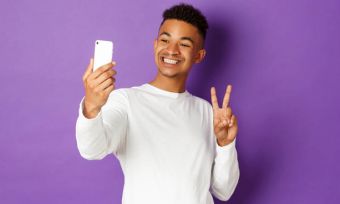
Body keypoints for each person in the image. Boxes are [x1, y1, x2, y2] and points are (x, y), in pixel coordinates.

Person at [76, 3, 240, 204]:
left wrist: (225, 144)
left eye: (185, 44)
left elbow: (224, 191)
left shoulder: (207, 112)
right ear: (155, 44)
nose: (172, 50)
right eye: (165, 40)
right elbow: (91, 150)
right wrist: (92, 107)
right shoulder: (126, 101)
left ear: (199, 55)